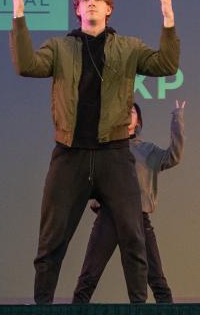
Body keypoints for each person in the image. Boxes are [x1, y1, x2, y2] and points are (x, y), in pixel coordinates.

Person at [9, 0, 180, 304]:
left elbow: (166, 63)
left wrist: (169, 21)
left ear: (108, 9)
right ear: (77, 9)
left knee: (133, 238)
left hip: (114, 155)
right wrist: (18, 15)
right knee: (51, 243)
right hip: (70, 155)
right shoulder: (60, 48)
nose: (91, 2)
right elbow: (26, 65)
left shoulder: (127, 48)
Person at [72, 101, 185, 304]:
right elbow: (88, 177)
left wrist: (177, 118)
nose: (127, 114)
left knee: (157, 280)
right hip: (109, 217)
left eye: (131, 111)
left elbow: (173, 156)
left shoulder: (148, 150)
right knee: (88, 278)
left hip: (138, 218)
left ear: (138, 121)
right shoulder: (104, 150)